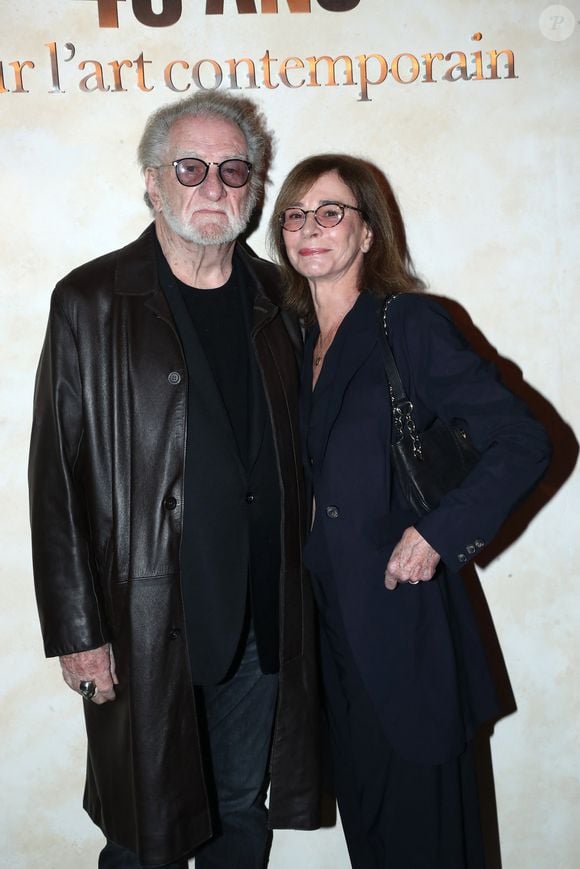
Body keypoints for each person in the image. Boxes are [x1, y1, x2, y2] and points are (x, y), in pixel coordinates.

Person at [28, 92, 322, 869]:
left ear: (255, 189)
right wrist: (77, 628)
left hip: (262, 617)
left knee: (237, 812)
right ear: (152, 183)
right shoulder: (91, 301)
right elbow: (55, 475)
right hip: (143, 618)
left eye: (233, 169)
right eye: (190, 167)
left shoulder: (282, 300)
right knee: (143, 829)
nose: (213, 186)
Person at [267, 154, 551, 869]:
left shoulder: (409, 323)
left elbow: (525, 440)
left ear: (369, 234)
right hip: (331, 642)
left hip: (407, 636)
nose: (311, 228)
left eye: (332, 212)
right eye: (296, 214)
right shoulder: (296, 344)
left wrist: (438, 531)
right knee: (374, 846)